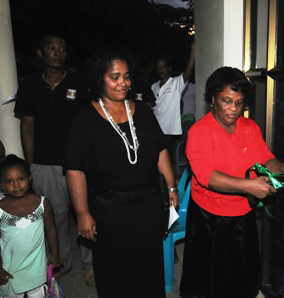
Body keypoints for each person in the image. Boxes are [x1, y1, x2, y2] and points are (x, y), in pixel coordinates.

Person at [180, 67, 284, 298]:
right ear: (212, 99)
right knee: (211, 280)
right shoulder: (200, 132)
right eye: (226, 101)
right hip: (209, 217)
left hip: (242, 212)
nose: (233, 108)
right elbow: (206, 175)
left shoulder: (249, 127)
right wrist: (249, 186)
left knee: (242, 274)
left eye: (239, 102)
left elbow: (265, 159)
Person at [64, 46, 179, 297]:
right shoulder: (84, 118)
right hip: (109, 211)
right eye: (114, 77)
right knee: (115, 272)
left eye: (126, 76)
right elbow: (74, 170)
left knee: (147, 268)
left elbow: (160, 151)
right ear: (99, 79)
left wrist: (171, 187)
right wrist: (82, 213)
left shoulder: (144, 111)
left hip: (148, 206)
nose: (123, 83)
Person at [13, 33, 94, 285]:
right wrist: (31, 165)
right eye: (51, 48)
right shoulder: (29, 86)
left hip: (78, 165)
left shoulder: (78, 82)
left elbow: (91, 122)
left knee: (84, 213)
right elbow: (27, 127)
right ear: (40, 53)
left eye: (62, 49)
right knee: (55, 217)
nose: (58, 53)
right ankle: (62, 262)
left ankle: (91, 265)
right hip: (45, 164)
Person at [0, 155, 61, 298]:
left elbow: (51, 230)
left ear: (30, 178)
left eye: (21, 179)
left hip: (36, 267)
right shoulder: (1, 208)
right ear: (1, 185)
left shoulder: (42, 203)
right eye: (9, 181)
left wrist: (56, 254)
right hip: (9, 268)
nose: (16, 185)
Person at [151, 39, 195, 158]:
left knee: (167, 159)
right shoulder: (154, 86)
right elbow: (155, 106)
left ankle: (168, 177)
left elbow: (187, 73)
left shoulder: (176, 83)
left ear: (169, 68)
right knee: (155, 158)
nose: (161, 69)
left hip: (169, 130)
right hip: (155, 128)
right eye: (158, 67)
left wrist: (192, 52)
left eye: (163, 67)